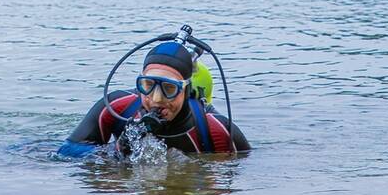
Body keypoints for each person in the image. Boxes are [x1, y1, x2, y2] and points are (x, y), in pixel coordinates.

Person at [57, 41, 251, 158]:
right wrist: (115, 152)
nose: (156, 99)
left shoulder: (216, 130)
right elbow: (66, 153)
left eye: (169, 88)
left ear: (186, 89)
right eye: (148, 86)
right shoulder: (116, 107)